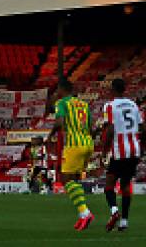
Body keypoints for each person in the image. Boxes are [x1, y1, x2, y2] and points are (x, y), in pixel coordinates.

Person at [99, 78, 144, 232]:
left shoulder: (110, 106)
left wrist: (104, 152)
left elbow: (110, 130)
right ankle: (124, 221)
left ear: (112, 89)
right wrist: (141, 149)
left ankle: (114, 211)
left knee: (109, 185)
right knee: (125, 186)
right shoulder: (133, 105)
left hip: (119, 151)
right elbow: (143, 129)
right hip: (134, 151)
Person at [51, 79, 95, 231]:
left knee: (66, 179)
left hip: (74, 145)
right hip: (88, 143)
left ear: (62, 90)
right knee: (75, 179)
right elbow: (91, 125)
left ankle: (85, 212)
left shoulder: (62, 103)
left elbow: (59, 122)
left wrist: (50, 136)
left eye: (58, 91)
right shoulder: (84, 104)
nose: (57, 94)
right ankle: (82, 215)